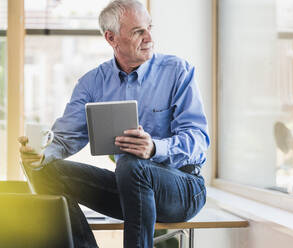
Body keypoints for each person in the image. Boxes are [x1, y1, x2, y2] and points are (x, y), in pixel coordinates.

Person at [18, 0, 209, 247]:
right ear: (111, 38)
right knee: (41, 168)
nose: (149, 37)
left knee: (132, 163)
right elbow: (65, 138)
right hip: (130, 189)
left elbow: (198, 139)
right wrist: (39, 152)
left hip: (183, 189)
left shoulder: (177, 71)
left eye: (150, 27)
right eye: (138, 31)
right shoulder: (92, 83)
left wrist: (154, 148)